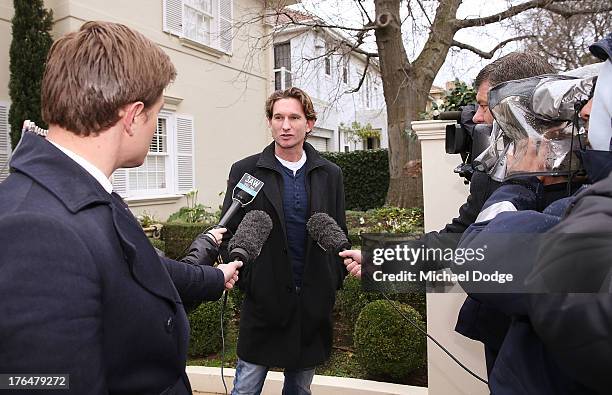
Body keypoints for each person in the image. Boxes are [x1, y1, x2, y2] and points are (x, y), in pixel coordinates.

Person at [0, 21, 241, 394]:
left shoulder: (85, 190)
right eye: (157, 117)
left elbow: (143, 267)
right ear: (132, 116)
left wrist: (214, 277)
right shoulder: (36, 230)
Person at [220, 87, 348, 395]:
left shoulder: (330, 174)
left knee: (300, 390)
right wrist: (249, 280)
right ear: (270, 122)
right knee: (245, 389)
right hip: (263, 304)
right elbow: (228, 232)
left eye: (293, 117)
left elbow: (339, 231)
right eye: (278, 117)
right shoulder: (246, 171)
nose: (285, 125)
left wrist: (332, 280)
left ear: (310, 123)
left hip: (311, 304)